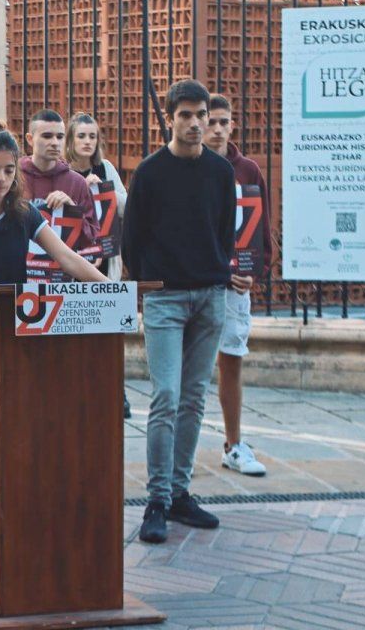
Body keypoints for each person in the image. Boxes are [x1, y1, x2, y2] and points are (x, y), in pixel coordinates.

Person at [0, 120, 107, 586]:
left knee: (10, 446)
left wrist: (113, 293)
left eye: (9, 170)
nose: (2, 179)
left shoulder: (24, 215)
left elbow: (67, 258)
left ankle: (5, 535)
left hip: (10, 349)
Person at [122, 79, 235, 544]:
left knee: (193, 399)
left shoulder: (220, 172)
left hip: (210, 296)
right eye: (185, 115)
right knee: (165, 397)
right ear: (170, 119)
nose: (194, 123)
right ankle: (157, 499)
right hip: (166, 299)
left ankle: (181, 493)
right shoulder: (150, 172)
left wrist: (215, 274)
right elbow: (131, 240)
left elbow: (226, 232)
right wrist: (151, 284)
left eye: (200, 114)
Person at [204, 95, 273, 477]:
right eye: (210, 120)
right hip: (196, 282)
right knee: (188, 369)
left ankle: (233, 443)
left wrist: (255, 271)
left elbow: (260, 230)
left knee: (231, 359)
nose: (216, 128)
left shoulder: (247, 170)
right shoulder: (189, 165)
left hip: (234, 287)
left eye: (222, 122)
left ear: (232, 126)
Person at [65, 111, 132, 419]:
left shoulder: (105, 167)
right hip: (75, 259)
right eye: (82, 136)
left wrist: (102, 187)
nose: (87, 142)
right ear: (71, 140)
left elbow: (125, 204)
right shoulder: (63, 171)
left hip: (105, 260)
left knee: (109, 329)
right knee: (78, 329)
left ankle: (118, 393)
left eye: (92, 136)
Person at [20, 109, 100, 245]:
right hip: (19, 264)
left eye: (60, 137)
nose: (55, 142)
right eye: (47, 136)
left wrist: (71, 210)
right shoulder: (13, 175)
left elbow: (92, 239)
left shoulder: (77, 182)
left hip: (62, 265)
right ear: (30, 139)